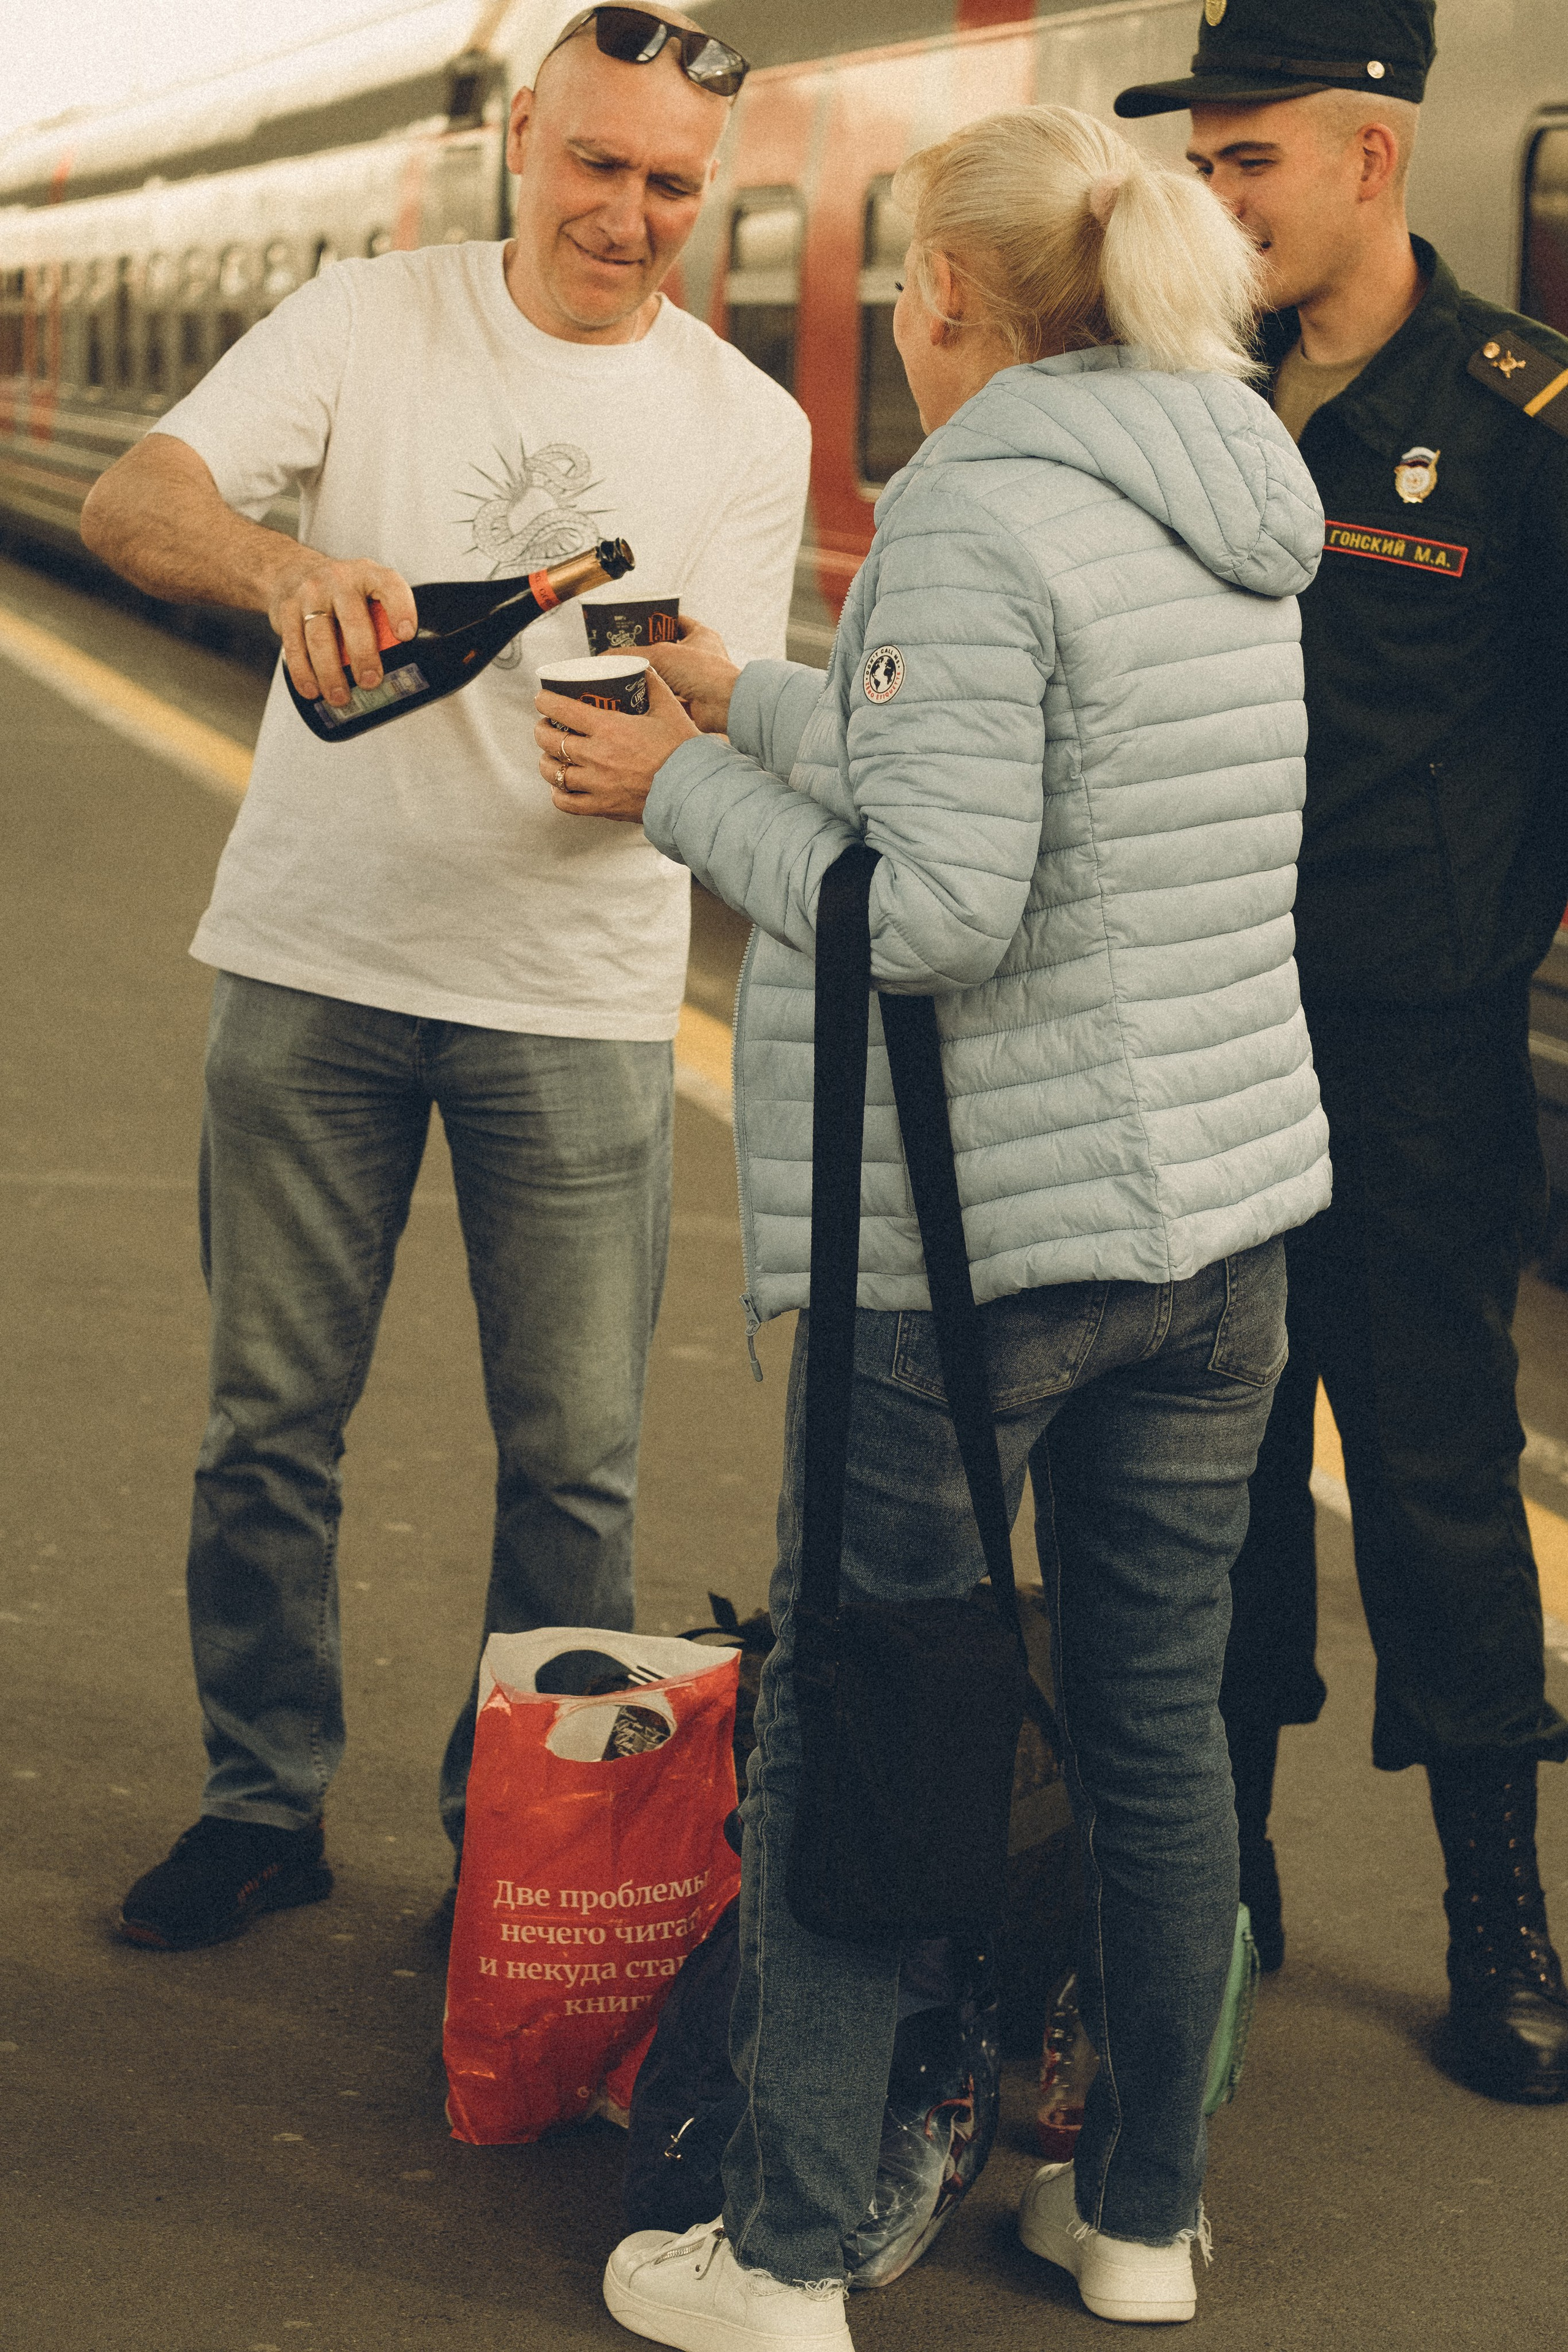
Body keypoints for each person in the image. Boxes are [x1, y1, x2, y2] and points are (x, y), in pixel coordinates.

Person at [531, 101, 1329, 2339]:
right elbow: (1013, 776)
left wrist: (672, 784)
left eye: (900, 281)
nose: (891, 315)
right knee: (1162, 1746)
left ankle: (783, 2255)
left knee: (865, 1730)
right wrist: (759, 692)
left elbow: (944, 905)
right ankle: (1143, 2222)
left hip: (976, 1260)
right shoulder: (1223, 479)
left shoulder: (971, 513)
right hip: (1219, 1231)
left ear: (956, 305)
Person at [78, 4, 810, 1953]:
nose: (627, 212)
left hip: (576, 998)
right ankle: (260, 1804)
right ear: (526, 149)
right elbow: (128, 501)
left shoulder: (753, 423)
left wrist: (664, 738)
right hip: (314, 964)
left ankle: (519, 1851)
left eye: (669, 183)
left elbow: (703, 677)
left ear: (704, 193)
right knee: (266, 1427)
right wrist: (277, 572)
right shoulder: (364, 319)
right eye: (598, 164)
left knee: (576, 1466)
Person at [1116, 0, 1568, 2103]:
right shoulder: (1172, 405)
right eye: (1195, 167)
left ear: (1371, 163)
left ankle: (1503, 1916)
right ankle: (1229, 1880)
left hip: (1416, 1069)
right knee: (1203, 1475)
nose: (1210, 203)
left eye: (1244, 164)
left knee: (1444, 1485)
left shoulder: (1523, 427)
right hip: (1203, 1036)